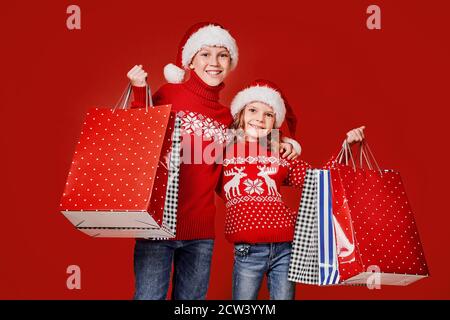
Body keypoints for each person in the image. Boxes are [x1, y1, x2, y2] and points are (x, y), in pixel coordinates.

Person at [126, 22, 300, 300]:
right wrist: (138, 91)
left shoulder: (225, 118)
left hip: (200, 234)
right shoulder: (169, 94)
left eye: (222, 55)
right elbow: (139, 136)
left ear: (230, 63)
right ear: (190, 60)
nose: (214, 62)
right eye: (205, 54)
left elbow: (236, 166)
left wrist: (285, 144)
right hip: (157, 227)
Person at [219, 79, 365, 299]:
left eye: (268, 114)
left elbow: (318, 180)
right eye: (253, 110)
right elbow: (194, 174)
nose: (260, 118)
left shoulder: (281, 154)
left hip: (286, 248)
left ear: (275, 122)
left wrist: (346, 146)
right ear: (240, 113)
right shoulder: (220, 152)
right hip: (248, 251)